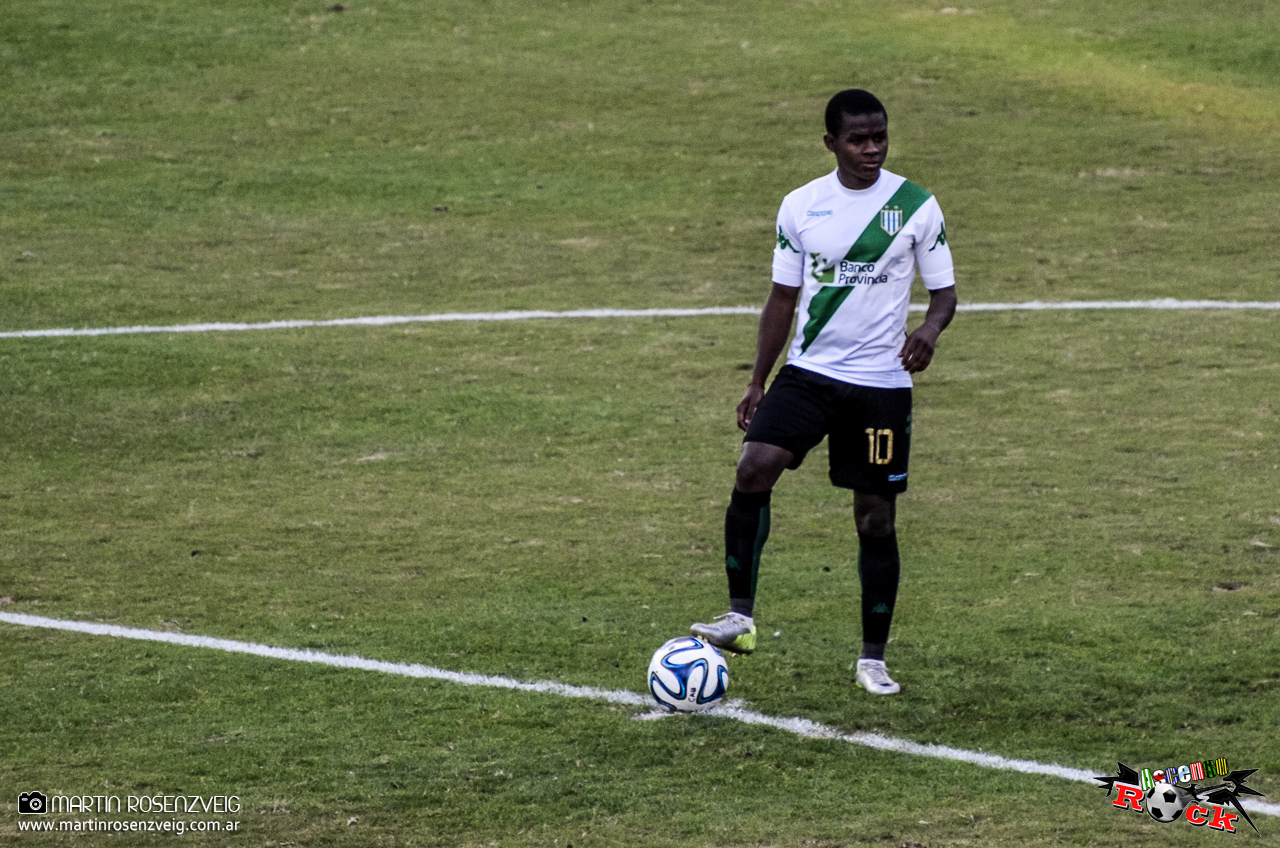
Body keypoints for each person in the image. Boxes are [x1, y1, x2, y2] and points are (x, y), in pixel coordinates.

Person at [691, 89, 958, 696]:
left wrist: (930, 331)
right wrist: (758, 379)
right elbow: (782, 298)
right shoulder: (802, 205)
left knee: (874, 519)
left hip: (881, 386)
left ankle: (872, 658)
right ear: (830, 142)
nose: (872, 149)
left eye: (880, 137)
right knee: (754, 467)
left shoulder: (915, 206)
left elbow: (944, 294)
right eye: (858, 140)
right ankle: (739, 618)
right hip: (810, 374)